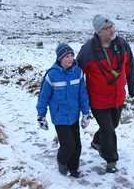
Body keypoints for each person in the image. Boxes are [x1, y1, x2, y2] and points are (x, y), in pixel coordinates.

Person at [77, 14, 134, 173]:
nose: (111, 30)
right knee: (109, 130)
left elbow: (130, 64)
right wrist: (75, 97)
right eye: (107, 28)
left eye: (112, 26)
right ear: (99, 32)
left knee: (113, 125)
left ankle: (97, 141)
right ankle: (111, 160)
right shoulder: (88, 50)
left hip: (118, 97)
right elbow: (77, 74)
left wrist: (132, 86)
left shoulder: (122, 44)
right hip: (98, 100)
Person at [36, 43, 91, 178]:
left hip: (73, 115)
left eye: (72, 55)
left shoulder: (78, 72)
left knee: (77, 146)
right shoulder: (52, 75)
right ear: (60, 58)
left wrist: (86, 113)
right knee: (68, 145)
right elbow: (43, 97)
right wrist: (41, 115)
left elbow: (82, 94)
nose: (70, 58)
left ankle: (74, 169)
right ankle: (62, 161)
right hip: (59, 117)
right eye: (66, 56)